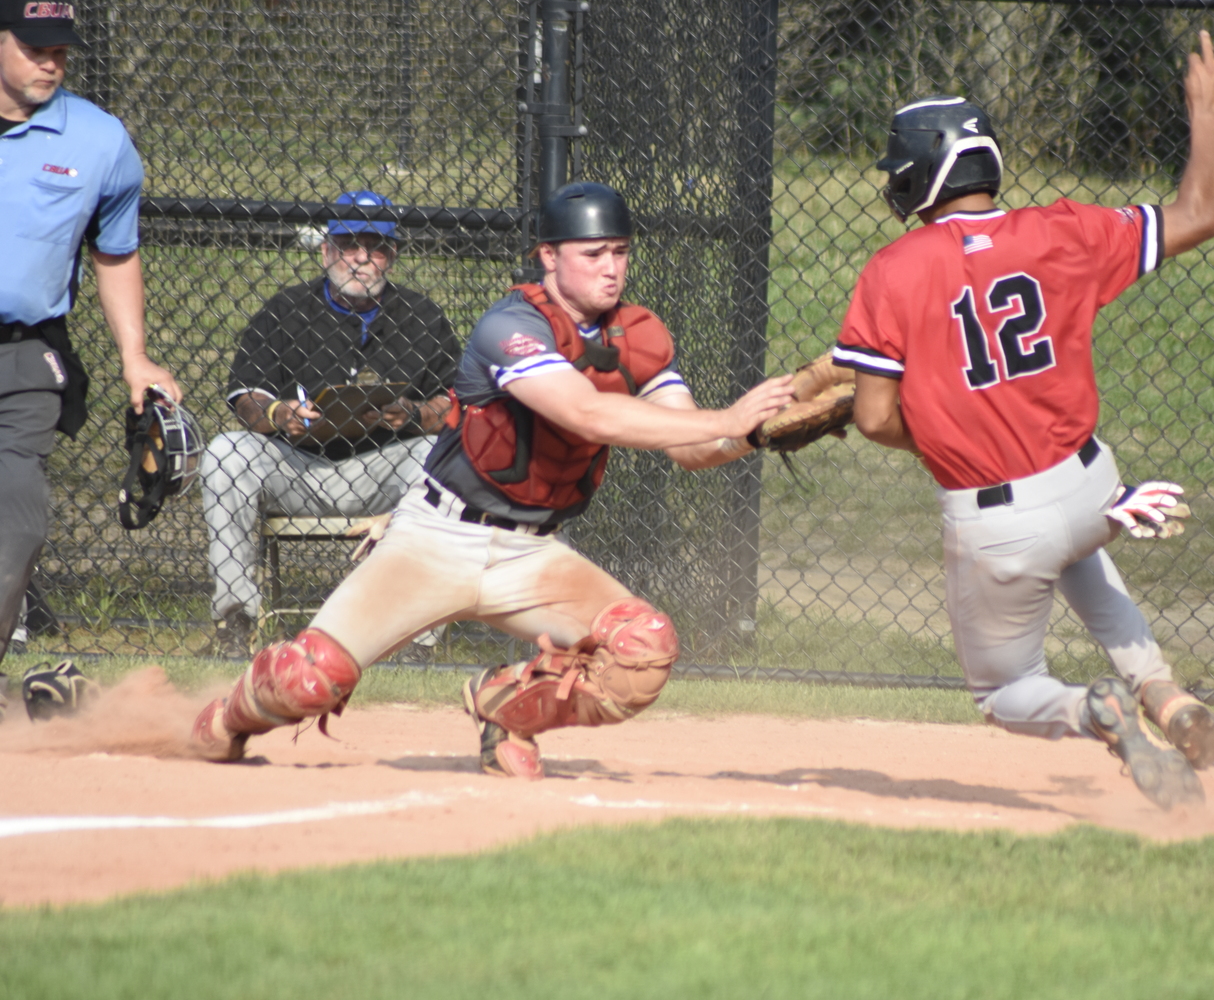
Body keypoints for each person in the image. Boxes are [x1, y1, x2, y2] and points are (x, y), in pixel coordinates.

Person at [191, 181, 796, 775]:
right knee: (308, 680)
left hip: (530, 552)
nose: (611, 269)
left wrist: (757, 430)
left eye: (620, 252)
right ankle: (225, 720)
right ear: (549, 257)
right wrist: (731, 416)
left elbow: (695, 445)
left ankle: (506, 708)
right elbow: (583, 411)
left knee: (643, 646)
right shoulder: (510, 326)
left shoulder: (637, 332)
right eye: (592, 254)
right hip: (436, 540)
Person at [833, 31, 1214, 809]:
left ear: (924, 174)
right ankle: (1164, 693)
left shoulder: (892, 270)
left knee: (1004, 689)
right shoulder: (1065, 229)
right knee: (1080, 552)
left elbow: (875, 416)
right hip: (1093, 487)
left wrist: (941, 431)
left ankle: (1096, 710)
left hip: (998, 522)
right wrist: (1206, 112)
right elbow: (1200, 213)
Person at [0, 2, 181, 718]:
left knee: (19, 519)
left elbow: (115, 252)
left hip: (26, 356)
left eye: (62, 48)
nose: (53, 60)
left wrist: (134, 357)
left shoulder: (99, 140)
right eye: (35, 45)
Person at [199, 190, 460, 657]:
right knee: (226, 451)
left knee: (437, 456)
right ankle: (235, 627)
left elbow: (456, 402)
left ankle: (415, 639)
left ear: (391, 258)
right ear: (326, 252)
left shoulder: (422, 316)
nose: (360, 258)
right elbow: (247, 396)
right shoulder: (286, 309)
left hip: (384, 467)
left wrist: (417, 415)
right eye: (348, 244)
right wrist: (278, 414)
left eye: (375, 247)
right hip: (298, 466)